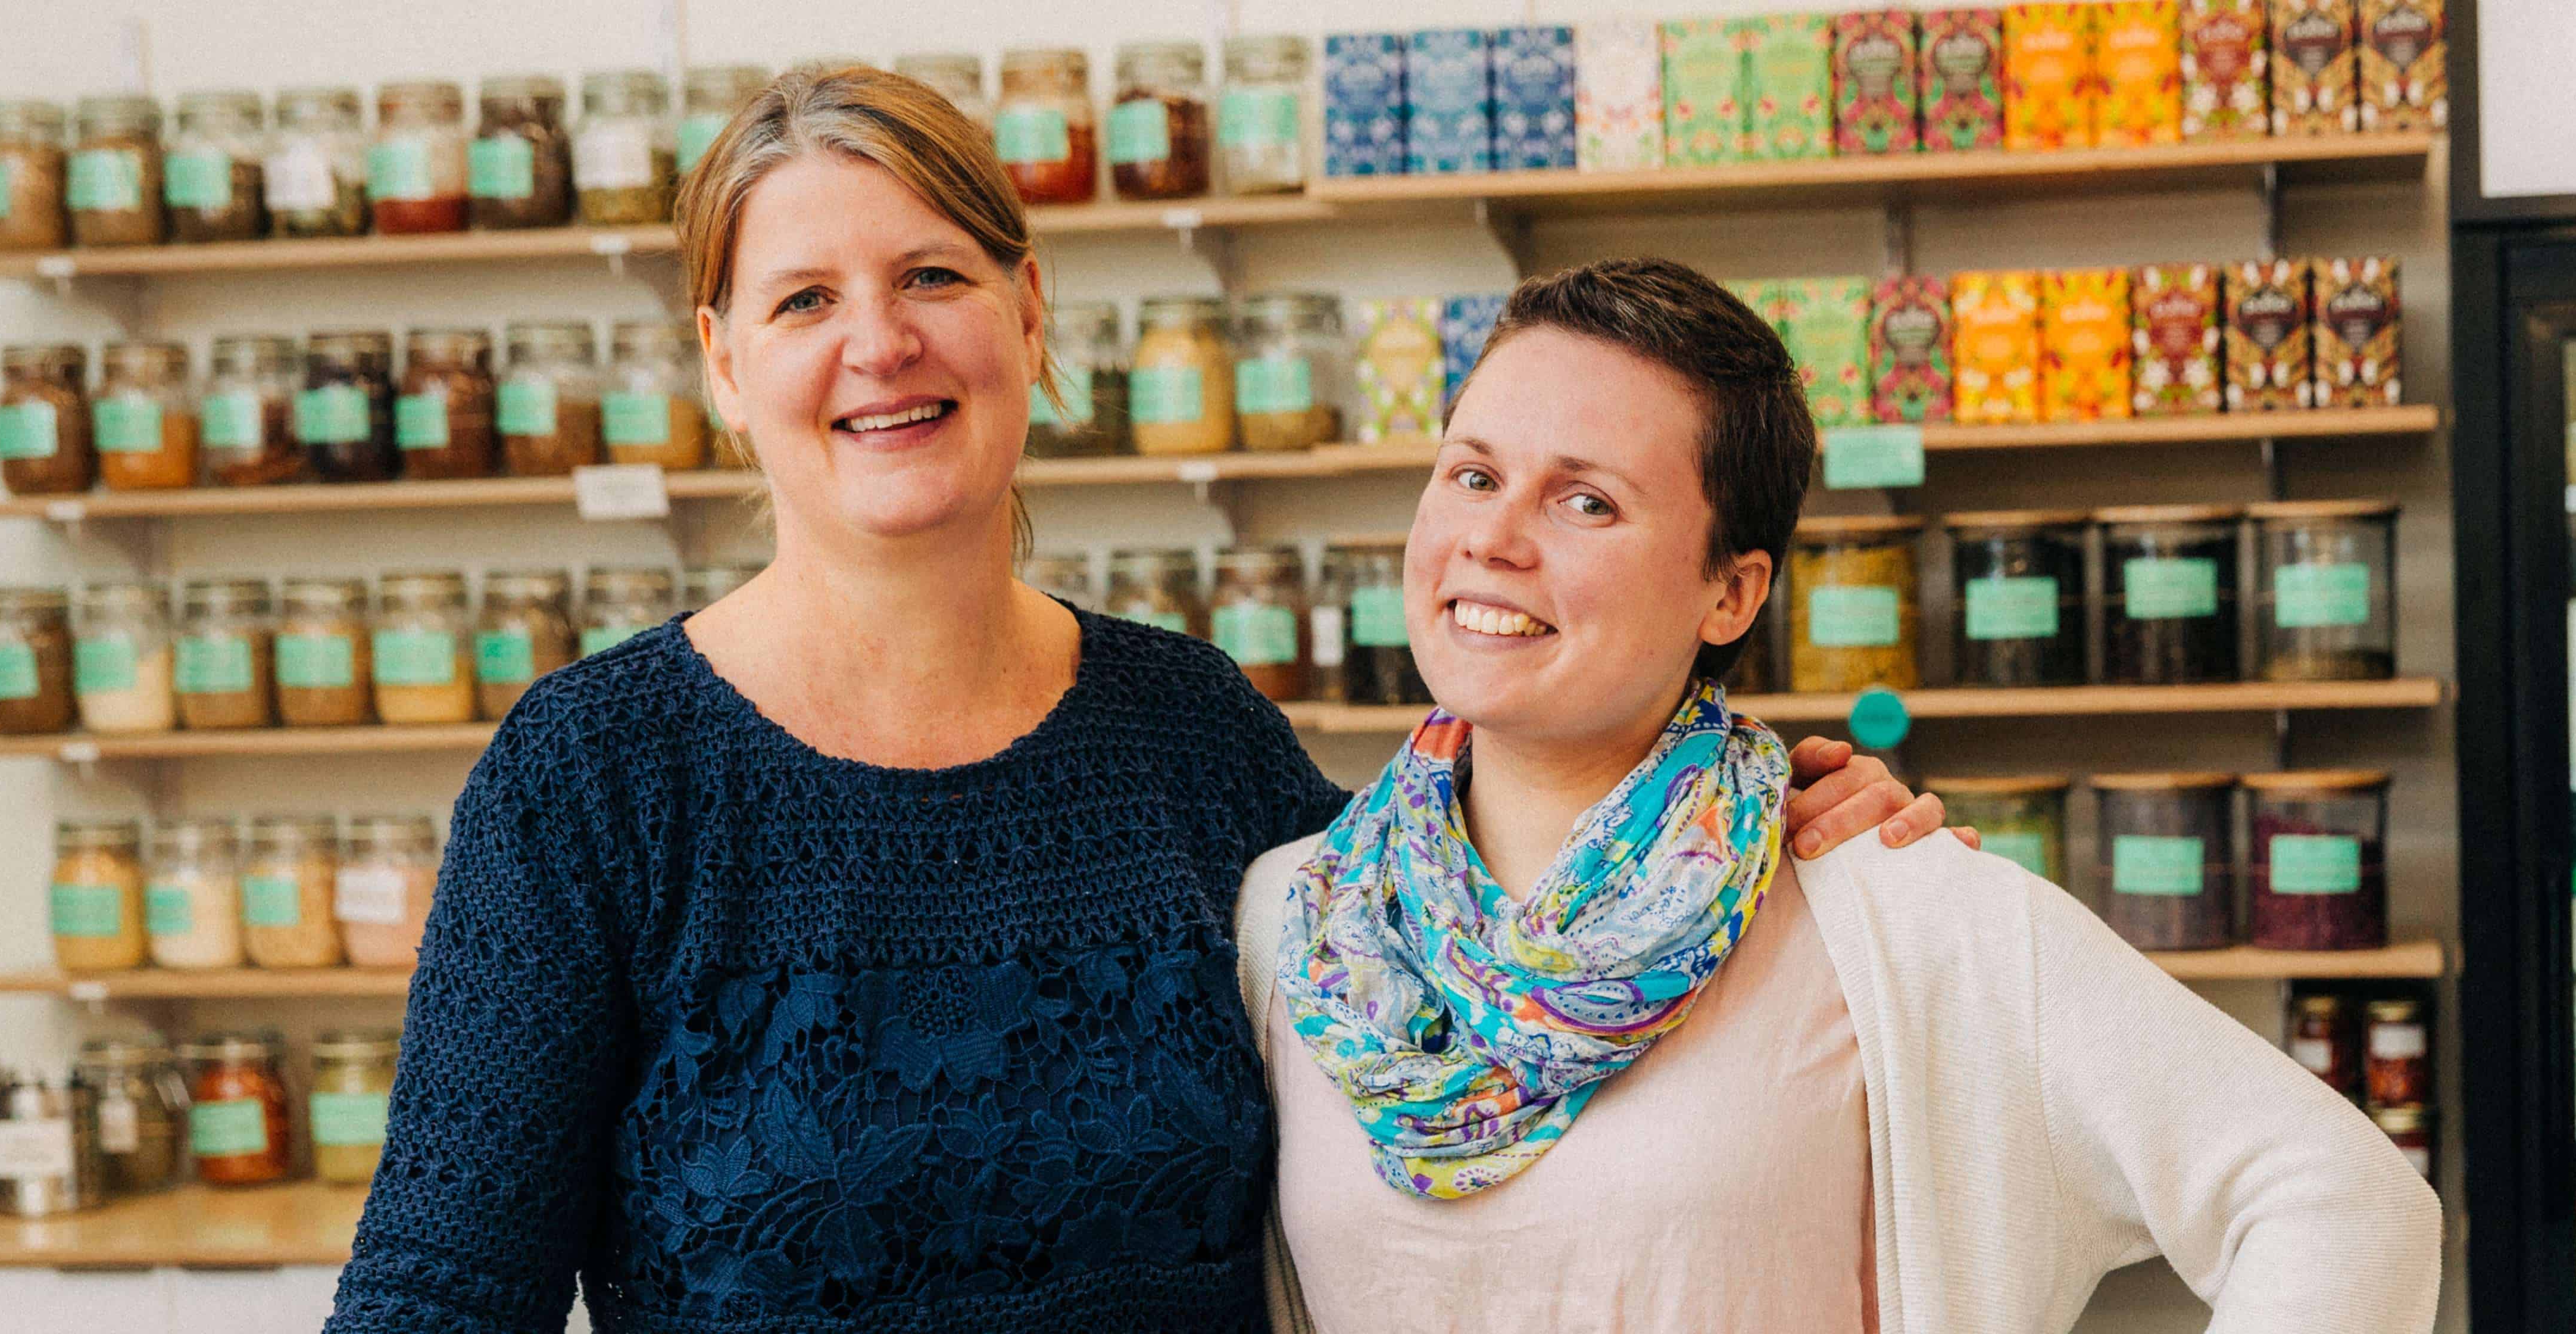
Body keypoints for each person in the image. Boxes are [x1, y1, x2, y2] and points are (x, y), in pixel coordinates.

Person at [322, 70, 1953, 1334]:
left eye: (932, 276)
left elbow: (1491, 1007)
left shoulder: (1193, 737)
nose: (880, 344)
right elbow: (438, 1300)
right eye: (804, 300)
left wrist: (1765, 830)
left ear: (1029, 313)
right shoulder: (599, 778)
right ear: (722, 366)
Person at [1236, 258, 2444, 1333]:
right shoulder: (1298, 917)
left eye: (1586, 499)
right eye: (1472, 473)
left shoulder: (1894, 905)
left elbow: (2343, 1202)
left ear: (1732, 593)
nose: (1493, 537)